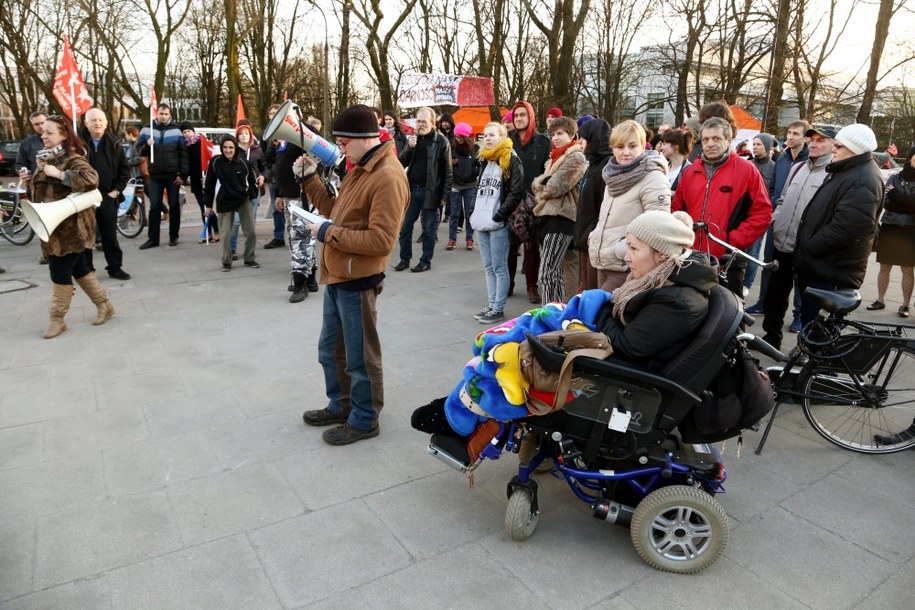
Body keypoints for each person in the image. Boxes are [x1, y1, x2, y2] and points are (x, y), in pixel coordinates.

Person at [411, 210, 717, 439]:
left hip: (610, 371)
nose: (627, 256)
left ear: (661, 254)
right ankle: (463, 401)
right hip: (601, 346)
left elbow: (627, 346)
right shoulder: (664, 281)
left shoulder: (675, 300)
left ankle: (458, 415)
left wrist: (596, 310)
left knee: (515, 352)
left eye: (635, 249)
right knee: (518, 334)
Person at [298, 104, 410, 445]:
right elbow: (337, 213)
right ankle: (341, 405)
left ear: (364, 139)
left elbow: (380, 241)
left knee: (361, 356)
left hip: (358, 279)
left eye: (344, 142)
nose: (340, 148)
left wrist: (327, 233)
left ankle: (364, 418)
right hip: (338, 274)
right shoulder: (362, 168)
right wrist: (309, 180)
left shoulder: (387, 176)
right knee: (332, 350)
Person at [21, 115, 115, 339]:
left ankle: (57, 319)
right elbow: (43, 193)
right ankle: (105, 306)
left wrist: (62, 174)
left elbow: (92, 179)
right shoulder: (45, 160)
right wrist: (28, 181)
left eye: (49, 132)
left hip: (71, 230)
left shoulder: (71, 159)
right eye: (43, 132)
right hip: (53, 228)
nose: (43, 135)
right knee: (80, 269)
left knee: (59, 272)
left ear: (63, 135)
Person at [794, 123, 884, 328]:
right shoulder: (848, 170)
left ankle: (818, 359)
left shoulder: (862, 178)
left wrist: (810, 247)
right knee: (813, 331)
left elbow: (849, 228)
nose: (833, 149)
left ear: (855, 149)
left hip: (831, 272)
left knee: (819, 336)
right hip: (822, 267)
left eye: (839, 146)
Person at [672, 117, 772, 297]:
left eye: (716, 138)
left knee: (729, 317)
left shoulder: (746, 170)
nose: (710, 144)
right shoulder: (690, 172)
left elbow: (763, 213)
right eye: (705, 139)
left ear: (728, 140)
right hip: (690, 258)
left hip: (728, 261)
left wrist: (731, 241)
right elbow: (676, 211)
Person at [760, 126, 835, 350]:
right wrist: (777, 219)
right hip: (782, 243)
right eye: (812, 139)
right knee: (774, 298)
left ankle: (805, 348)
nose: (814, 143)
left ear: (834, 145)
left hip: (807, 249)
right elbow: (782, 198)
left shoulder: (833, 174)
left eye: (821, 140)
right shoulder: (798, 167)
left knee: (806, 302)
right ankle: (771, 339)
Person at [589, 120, 671, 292]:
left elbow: (658, 225)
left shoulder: (653, 177)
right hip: (604, 262)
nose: (626, 152)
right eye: (620, 146)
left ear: (643, 146)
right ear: (612, 148)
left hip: (627, 265)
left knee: (601, 312)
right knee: (600, 316)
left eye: (632, 146)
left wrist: (623, 249)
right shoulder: (613, 175)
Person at [748, 121, 811, 318]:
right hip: (776, 220)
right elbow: (774, 189)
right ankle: (762, 303)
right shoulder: (782, 159)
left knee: (798, 271)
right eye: (789, 132)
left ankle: (799, 314)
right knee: (769, 264)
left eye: (796, 134)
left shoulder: (810, 159)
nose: (791, 137)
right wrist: (772, 212)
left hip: (800, 224)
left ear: (805, 137)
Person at [470, 121, 524, 324]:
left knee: (500, 267)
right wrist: (474, 210)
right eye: (485, 135)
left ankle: (498, 308)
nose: (488, 138)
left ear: (502, 136)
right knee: (488, 266)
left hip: (498, 222)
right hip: (481, 220)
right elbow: (480, 187)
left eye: (492, 135)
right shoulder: (485, 159)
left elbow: (516, 191)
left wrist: (499, 215)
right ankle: (491, 304)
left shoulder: (511, 159)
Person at [532, 116, 587, 304]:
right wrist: (542, 183)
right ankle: (564, 311)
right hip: (549, 216)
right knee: (561, 269)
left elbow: (554, 187)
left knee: (548, 272)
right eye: (553, 134)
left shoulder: (576, 157)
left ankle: (551, 314)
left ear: (572, 135)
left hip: (562, 217)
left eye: (560, 133)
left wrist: (542, 184)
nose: (555, 138)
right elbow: (541, 183)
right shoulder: (554, 158)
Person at [394, 106, 452, 273]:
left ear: (433, 123)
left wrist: (444, 195)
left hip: (430, 191)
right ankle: (404, 259)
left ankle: (425, 261)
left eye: (423, 121)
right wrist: (409, 148)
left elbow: (448, 170)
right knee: (404, 227)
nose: (420, 125)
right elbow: (400, 163)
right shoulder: (413, 139)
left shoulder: (442, 141)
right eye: (418, 121)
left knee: (428, 230)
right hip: (412, 190)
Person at [80, 107, 131, 280]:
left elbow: (125, 170)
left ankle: (115, 268)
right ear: (86, 123)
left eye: (100, 120)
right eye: (93, 120)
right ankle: (87, 270)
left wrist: (116, 191)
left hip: (107, 196)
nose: (97, 123)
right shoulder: (78, 144)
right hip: (84, 197)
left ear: (106, 123)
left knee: (110, 235)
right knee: (86, 235)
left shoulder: (114, 143)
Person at [509, 100, 551, 303]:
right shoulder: (507, 141)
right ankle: (507, 283)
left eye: (522, 115)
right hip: (511, 200)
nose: (518, 119)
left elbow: (548, 172)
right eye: (516, 116)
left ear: (530, 117)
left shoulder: (543, 142)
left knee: (532, 247)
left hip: (534, 201)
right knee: (509, 245)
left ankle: (532, 286)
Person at [868, 146, 915, 318]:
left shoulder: (895, 183)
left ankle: (905, 305)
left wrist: (897, 196)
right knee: (884, 266)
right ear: (910, 158)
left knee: (907, 269)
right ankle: (880, 300)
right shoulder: (894, 177)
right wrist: (906, 202)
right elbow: (887, 203)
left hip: (910, 229)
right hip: (890, 225)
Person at [273, 128, 318, 302]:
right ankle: (310, 279)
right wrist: (279, 193)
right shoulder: (287, 141)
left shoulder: (302, 134)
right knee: (301, 240)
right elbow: (279, 167)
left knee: (300, 240)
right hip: (289, 197)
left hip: (302, 197)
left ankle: (301, 284)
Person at [203, 135, 260, 272]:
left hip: (243, 199)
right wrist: (208, 205)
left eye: (231, 147)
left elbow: (252, 182)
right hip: (224, 201)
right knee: (226, 234)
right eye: (225, 147)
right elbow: (209, 184)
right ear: (221, 148)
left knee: (251, 231)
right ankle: (226, 261)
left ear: (235, 148)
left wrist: (251, 195)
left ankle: (249, 258)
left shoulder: (244, 162)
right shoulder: (215, 162)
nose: (228, 150)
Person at [137, 103, 189, 249]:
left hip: (173, 175)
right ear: (156, 113)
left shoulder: (176, 130)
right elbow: (138, 151)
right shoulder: (148, 129)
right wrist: (147, 145)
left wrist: (183, 175)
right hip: (154, 175)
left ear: (169, 114)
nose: (163, 116)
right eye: (161, 113)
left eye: (166, 114)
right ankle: (153, 239)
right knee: (154, 206)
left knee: (174, 205)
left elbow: (183, 154)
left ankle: (174, 236)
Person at [574, 118, 612, 292]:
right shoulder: (592, 165)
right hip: (585, 239)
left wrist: (592, 235)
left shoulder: (606, 167)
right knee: (585, 289)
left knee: (592, 291)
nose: (579, 142)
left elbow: (604, 207)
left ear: (593, 139)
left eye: (582, 138)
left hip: (594, 241)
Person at [230, 124, 266, 258]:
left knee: (250, 222)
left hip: (254, 190)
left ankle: (249, 251)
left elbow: (264, 167)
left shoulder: (257, 150)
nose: (244, 135)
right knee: (236, 221)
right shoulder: (233, 150)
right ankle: (231, 248)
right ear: (237, 136)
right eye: (241, 133)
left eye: (246, 133)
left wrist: (264, 176)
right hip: (239, 191)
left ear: (250, 135)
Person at [179, 123, 217, 244]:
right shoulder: (184, 146)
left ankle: (214, 231)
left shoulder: (201, 143)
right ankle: (209, 233)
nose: (186, 134)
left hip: (204, 179)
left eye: (188, 131)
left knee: (205, 207)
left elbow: (210, 158)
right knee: (203, 207)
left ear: (193, 132)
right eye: (184, 132)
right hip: (195, 180)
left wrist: (207, 175)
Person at [447, 122, 480, 251]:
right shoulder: (452, 147)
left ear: (467, 137)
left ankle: (469, 239)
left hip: (470, 185)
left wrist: (474, 172)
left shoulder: (475, 148)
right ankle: (452, 239)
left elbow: (479, 164)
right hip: (455, 184)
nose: (458, 139)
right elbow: (445, 163)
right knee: (454, 213)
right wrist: (451, 163)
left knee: (469, 213)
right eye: (457, 136)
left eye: (461, 137)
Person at [263, 103, 286, 250]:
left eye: (276, 113)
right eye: (271, 113)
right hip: (274, 177)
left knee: (290, 208)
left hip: (286, 177)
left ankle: (294, 234)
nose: (273, 116)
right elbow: (266, 157)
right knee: (275, 208)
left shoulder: (287, 132)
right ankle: (278, 237)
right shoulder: (266, 134)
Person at [15, 110, 46, 177]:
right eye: (36, 124)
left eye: (43, 123)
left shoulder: (61, 139)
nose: (40, 126)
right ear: (32, 126)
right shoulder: (26, 143)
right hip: (36, 184)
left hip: (58, 184)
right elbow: (20, 164)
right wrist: (23, 172)